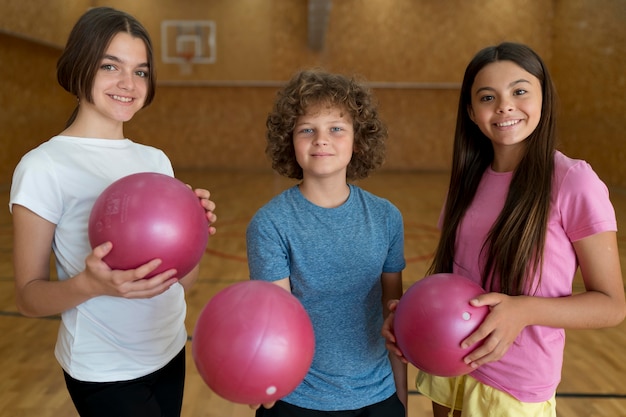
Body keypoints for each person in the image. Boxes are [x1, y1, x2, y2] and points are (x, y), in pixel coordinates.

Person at [382, 42, 626, 416]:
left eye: (520, 91)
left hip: (516, 383)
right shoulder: (468, 179)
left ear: (544, 96)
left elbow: (611, 306)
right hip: (450, 364)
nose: (504, 105)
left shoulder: (573, 181)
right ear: (471, 111)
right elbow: (456, 275)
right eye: (487, 96)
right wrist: (411, 318)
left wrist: (523, 311)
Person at [9, 7, 217, 417]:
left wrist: (195, 235)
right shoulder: (43, 166)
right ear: (79, 67)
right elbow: (28, 298)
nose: (128, 83)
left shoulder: (156, 162)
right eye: (111, 66)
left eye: (140, 71)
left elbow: (180, 283)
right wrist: (91, 284)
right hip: (104, 370)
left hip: (168, 349)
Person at [246, 69, 407, 416]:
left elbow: (394, 319)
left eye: (336, 128)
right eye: (307, 129)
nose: (321, 140)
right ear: (289, 140)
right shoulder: (270, 224)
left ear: (358, 140)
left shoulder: (386, 217)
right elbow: (276, 323)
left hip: (378, 396)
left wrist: (401, 397)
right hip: (299, 399)